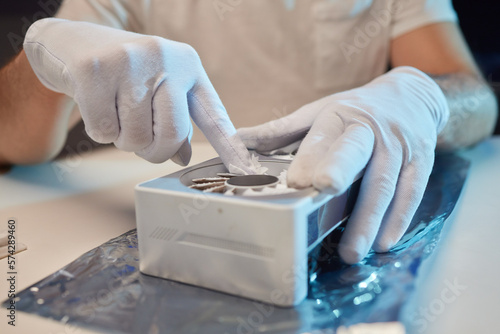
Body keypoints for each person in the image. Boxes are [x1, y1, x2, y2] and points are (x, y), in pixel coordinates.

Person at [0, 0, 496, 264]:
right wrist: (44, 50)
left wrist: (424, 97)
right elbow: (15, 140)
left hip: (338, 198)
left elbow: (476, 100)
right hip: (165, 210)